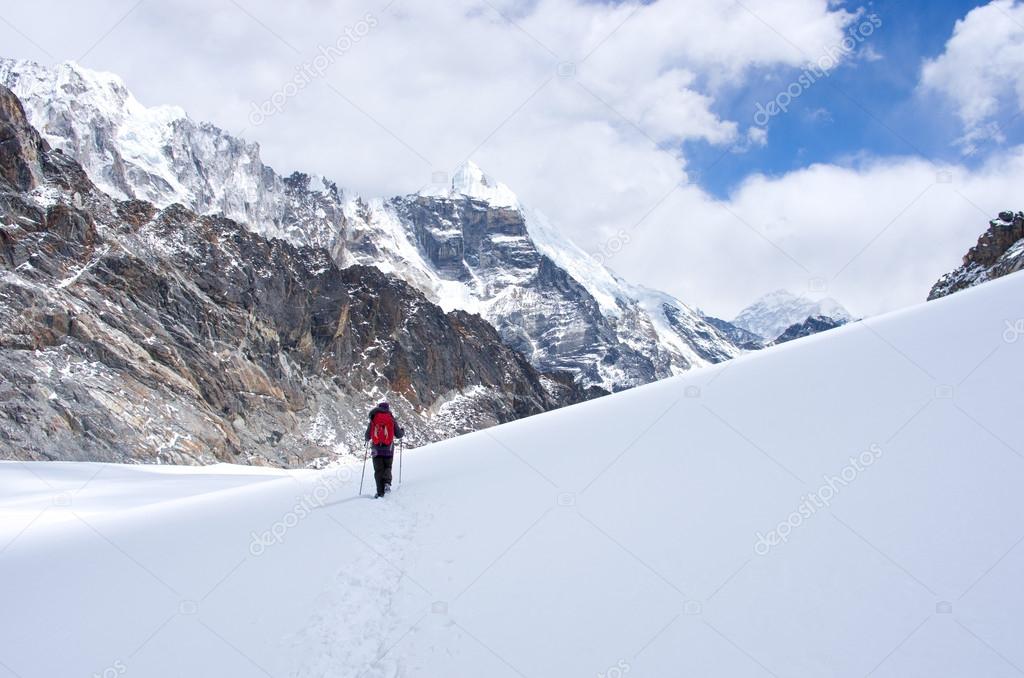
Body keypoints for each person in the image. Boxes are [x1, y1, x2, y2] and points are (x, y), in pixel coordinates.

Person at [365, 401, 404, 498]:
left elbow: (367, 435)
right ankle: (387, 483)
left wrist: (367, 439)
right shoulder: (390, 418)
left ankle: (380, 492)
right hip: (388, 448)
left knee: (378, 470)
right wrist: (402, 431)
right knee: (388, 467)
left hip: (376, 449)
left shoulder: (373, 418)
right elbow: (398, 435)